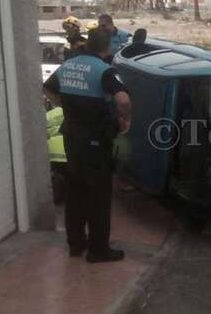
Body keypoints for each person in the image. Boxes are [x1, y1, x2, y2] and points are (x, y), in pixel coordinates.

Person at [42, 29, 132, 263]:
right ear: (107, 47)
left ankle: (76, 245)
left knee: (76, 193)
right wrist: (126, 120)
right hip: (95, 143)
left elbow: (47, 88)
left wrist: (67, 107)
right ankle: (98, 250)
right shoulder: (104, 70)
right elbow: (123, 99)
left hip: (72, 139)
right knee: (99, 197)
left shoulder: (68, 65)